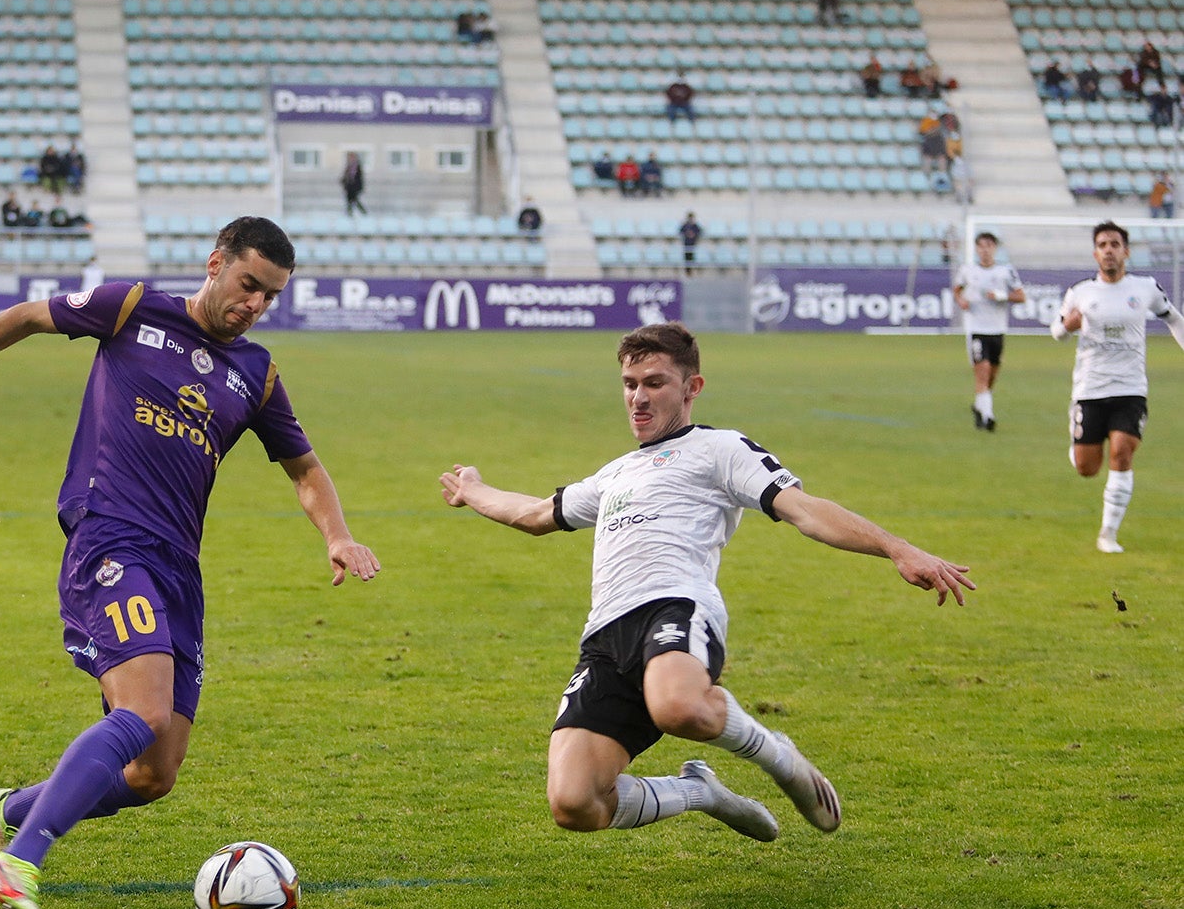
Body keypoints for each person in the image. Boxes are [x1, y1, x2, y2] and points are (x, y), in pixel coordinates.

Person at [0, 216, 380, 909]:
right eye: (247, 286)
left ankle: (14, 807)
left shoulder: (257, 373)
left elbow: (304, 467)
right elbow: (27, 317)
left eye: (269, 296)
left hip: (179, 566)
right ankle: (18, 858)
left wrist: (337, 533)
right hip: (110, 537)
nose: (254, 305)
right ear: (215, 263)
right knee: (140, 714)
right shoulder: (132, 308)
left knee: (154, 773)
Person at [438, 323, 973, 846]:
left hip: (675, 605)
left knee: (679, 707)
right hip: (604, 637)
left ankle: (778, 756)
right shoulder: (615, 473)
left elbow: (804, 510)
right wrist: (473, 489)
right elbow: (535, 513)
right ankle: (700, 793)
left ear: (691, 387)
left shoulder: (721, 450)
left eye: (655, 383)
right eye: (630, 385)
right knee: (575, 803)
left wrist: (897, 548)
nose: (638, 399)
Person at [1050, 220, 1184, 553]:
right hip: (1090, 389)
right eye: (1103, 245)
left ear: (1126, 251)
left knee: (1122, 453)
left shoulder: (1145, 288)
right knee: (1086, 468)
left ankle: (1108, 533)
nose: (1109, 250)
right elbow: (1057, 331)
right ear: (1095, 253)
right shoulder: (1081, 292)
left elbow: (1172, 317)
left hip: (1130, 388)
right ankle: (1077, 438)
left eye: (1114, 244)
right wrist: (1069, 324)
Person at [953, 231, 1026, 433]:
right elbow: (957, 289)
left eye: (989, 246)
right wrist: (961, 301)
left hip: (997, 330)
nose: (985, 250)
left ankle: (979, 405)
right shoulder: (967, 270)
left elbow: (1021, 296)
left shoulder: (1005, 271)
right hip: (976, 329)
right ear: (976, 249)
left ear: (995, 248)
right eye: (981, 246)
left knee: (992, 375)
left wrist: (1001, 295)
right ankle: (988, 417)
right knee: (982, 372)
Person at [340, 151, 367, 216]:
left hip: (355, 187)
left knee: (354, 200)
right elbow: (346, 176)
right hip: (349, 187)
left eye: (351, 157)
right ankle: (350, 213)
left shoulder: (357, 166)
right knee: (350, 200)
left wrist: (359, 186)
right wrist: (343, 181)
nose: (349, 158)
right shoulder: (349, 166)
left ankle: (363, 212)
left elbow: (359, 178)